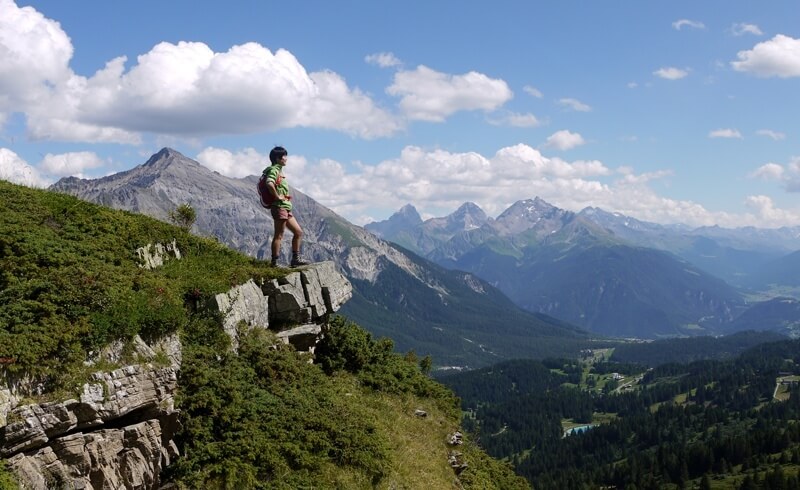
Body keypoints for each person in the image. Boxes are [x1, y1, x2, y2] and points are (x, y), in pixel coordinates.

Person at [263, 146, 309, 267]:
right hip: (279, 207)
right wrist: (277, 196)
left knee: (298, 232)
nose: (286, 159)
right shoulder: (274, 170)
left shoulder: (279, 171)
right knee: (279, 235)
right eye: (284, 156)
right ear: (278, 158)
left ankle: (295, 259)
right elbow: (269, 183)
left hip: (285, 207)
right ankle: (274, 262)